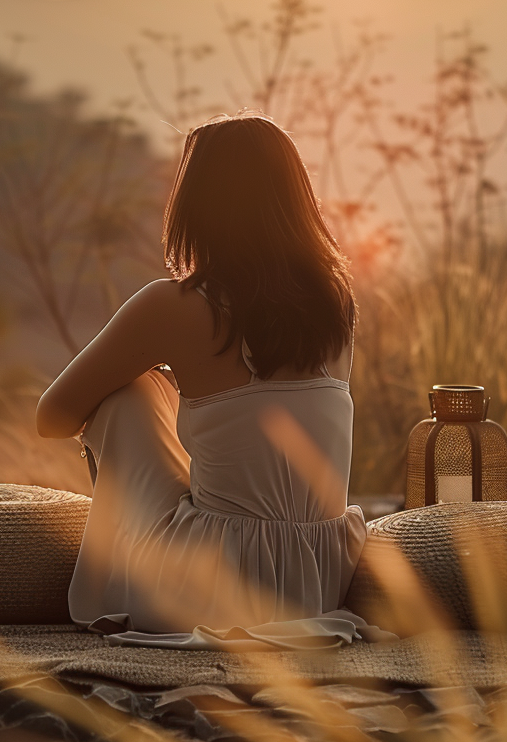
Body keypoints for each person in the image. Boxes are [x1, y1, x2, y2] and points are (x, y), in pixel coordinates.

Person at [36, 112, 380, 649]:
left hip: (206, 589)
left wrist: (154, 375)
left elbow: (52, 418)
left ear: (199, 204)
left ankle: (115, 575)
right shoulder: (336, 304)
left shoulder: (170, 306)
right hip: (318, 582)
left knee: (128, 394)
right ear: (294, 200)